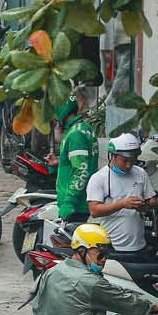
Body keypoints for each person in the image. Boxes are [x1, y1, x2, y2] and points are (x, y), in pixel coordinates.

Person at [86, 133, 157, 257]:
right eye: (124, 161)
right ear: (113, 156)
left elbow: (152, 200)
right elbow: (94, 210)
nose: (129, 165)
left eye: (132, 160)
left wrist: (144, 206)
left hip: (139, 245)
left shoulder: (140, 173)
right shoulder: (99, 178)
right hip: (111, 246)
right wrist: (122, 204)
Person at [55, 88, 98, 224]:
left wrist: (69, 202)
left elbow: (82, 169)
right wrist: (58, 163)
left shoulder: (75, 135)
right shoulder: (84, 128)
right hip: (81, 200)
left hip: (77, 205)